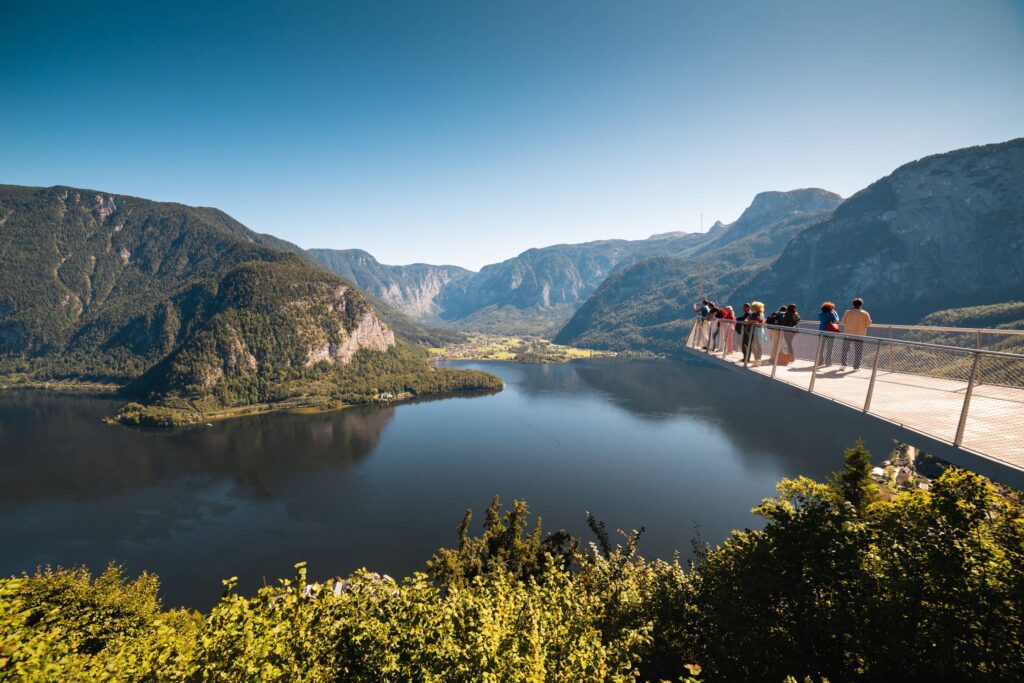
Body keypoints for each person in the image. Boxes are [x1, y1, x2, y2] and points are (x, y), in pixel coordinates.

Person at [840, 297, 872, 369]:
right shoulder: (865, 313)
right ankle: (856, 367)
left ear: (853, 304)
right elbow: (869, 324)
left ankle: (843, 365)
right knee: (858, 351)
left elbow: (843, 321)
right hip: (859, 334)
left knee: (845, 350)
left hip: (848, 334)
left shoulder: (847, 312)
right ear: (861, 305)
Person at [748, 301, 767, 365]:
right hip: (755, 330)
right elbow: (748, 320)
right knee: (755, 345)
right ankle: (757, 359)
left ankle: (757, 359)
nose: (753, 307)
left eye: (754, 307)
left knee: (757, 345)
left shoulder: (760, 314)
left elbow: (760, 322)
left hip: (758, 330)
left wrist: (752, 321)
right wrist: (751, 321)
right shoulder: (754, 313)